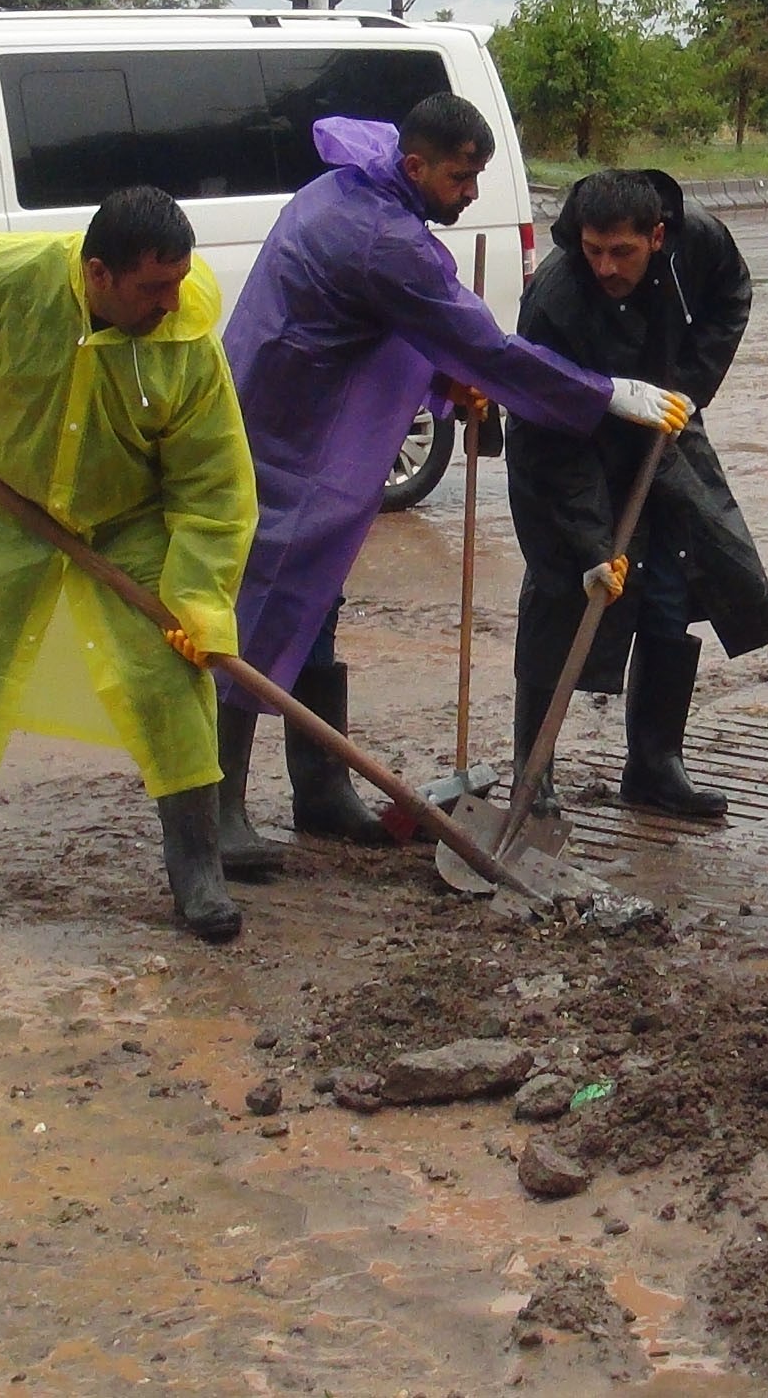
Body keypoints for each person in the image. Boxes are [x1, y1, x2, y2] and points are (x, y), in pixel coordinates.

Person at [215, 93, 692, 869]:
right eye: (462, 176)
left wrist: (449, 380)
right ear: (416, 166)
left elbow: (413, 327)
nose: (472, 192)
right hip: (288, 431)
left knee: (313, 601)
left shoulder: (358, 182)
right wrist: (606, 392)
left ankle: (320, 790)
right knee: (260, 606)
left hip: (303, 409)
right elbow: (481, 342)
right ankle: (218, 809)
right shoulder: (382, 237)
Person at [0, 188, 258, 944]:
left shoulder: (186, 338)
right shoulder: (8, 274)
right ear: (97, 273)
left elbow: (214, 486)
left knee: (172, 681)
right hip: (2, 500)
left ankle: (198, 873)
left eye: (178, 282)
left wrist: (198, 598)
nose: (171, 303)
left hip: (124, 517)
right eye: (152, 288)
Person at [507, 168, 768, 818]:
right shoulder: (555, 296)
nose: (604, 266)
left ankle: (656, 764)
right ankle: (533, 768)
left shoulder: (700, 244)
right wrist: (591, 543)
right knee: (564, 593)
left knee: (669, 585)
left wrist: (689, 386)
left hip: (660, 429)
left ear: (657, 236)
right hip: (569, 442)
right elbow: (546, 433)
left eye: (621, 252)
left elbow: (731, 295)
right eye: (592, 249)